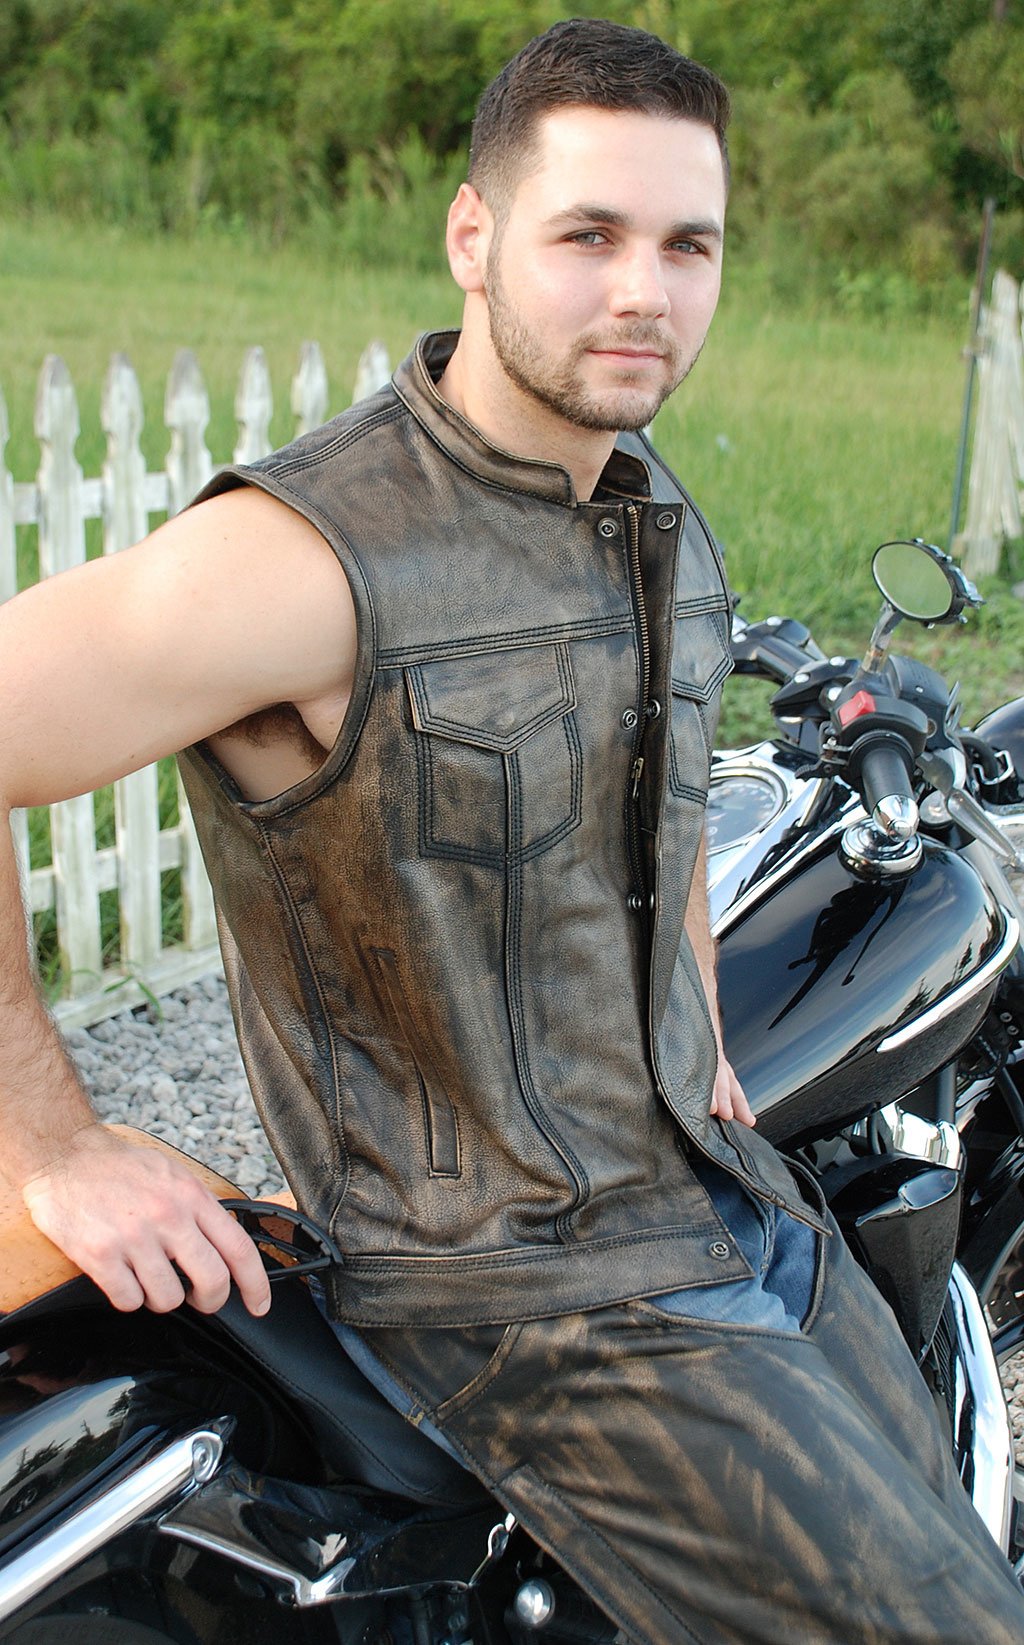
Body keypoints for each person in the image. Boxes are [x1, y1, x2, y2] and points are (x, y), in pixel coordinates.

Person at [0, 17, 1022, 1643]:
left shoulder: (643, 497)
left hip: (717, 1196)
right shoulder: (305, 559)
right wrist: (51, 1141)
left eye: (688, 245)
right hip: (519, 1298)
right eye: (589, 235)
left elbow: (651, 776)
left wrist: (689, 1012)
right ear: (472, 236)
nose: (645, 292)